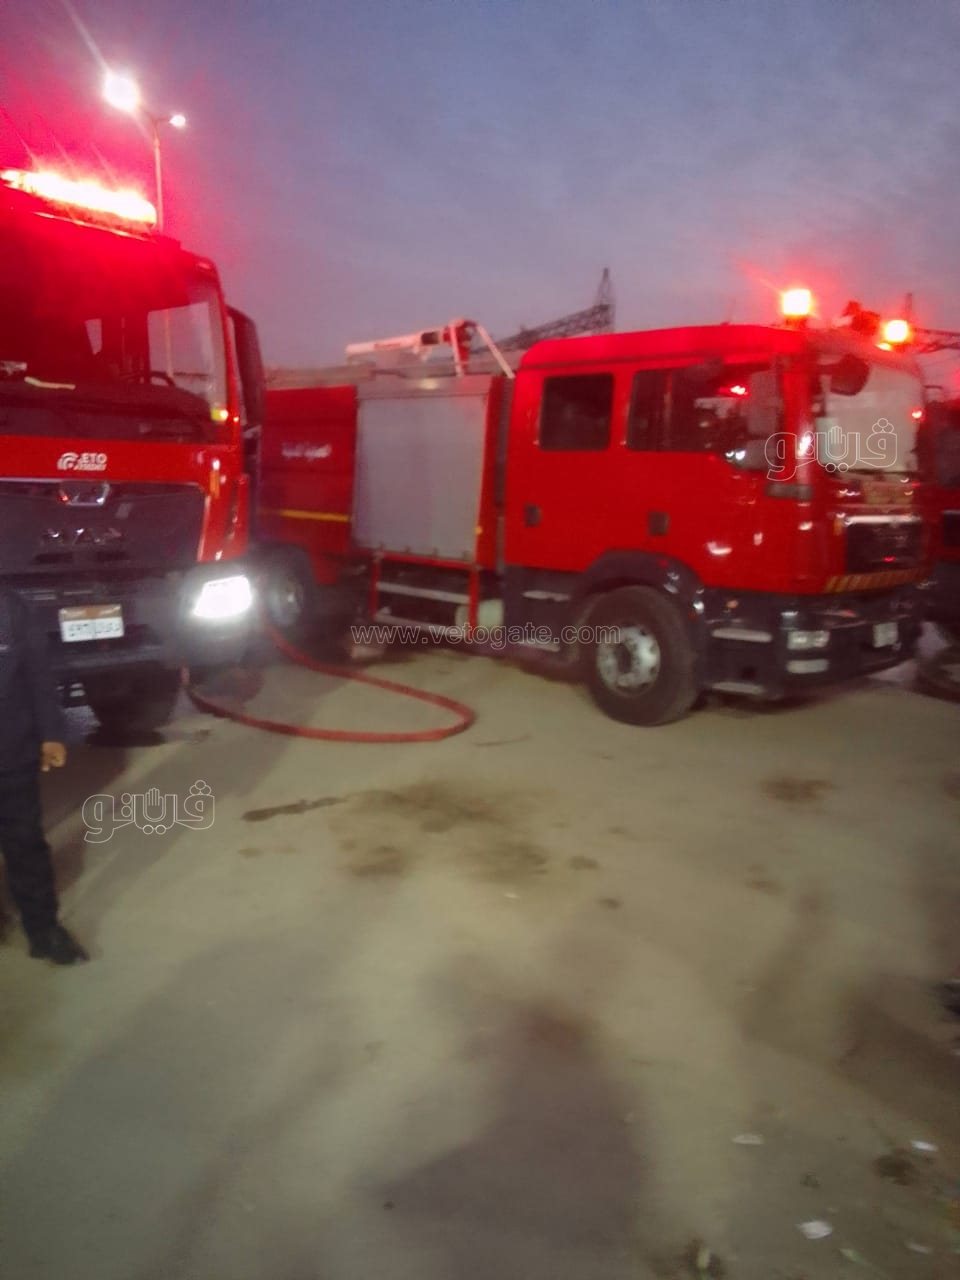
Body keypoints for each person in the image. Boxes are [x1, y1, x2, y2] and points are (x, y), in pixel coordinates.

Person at [0, 587, 87, 964]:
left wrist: (51, 733)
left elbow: (38, 674)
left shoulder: (11, 608)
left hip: (11, 750)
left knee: (26, 843)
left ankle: (44, 930)